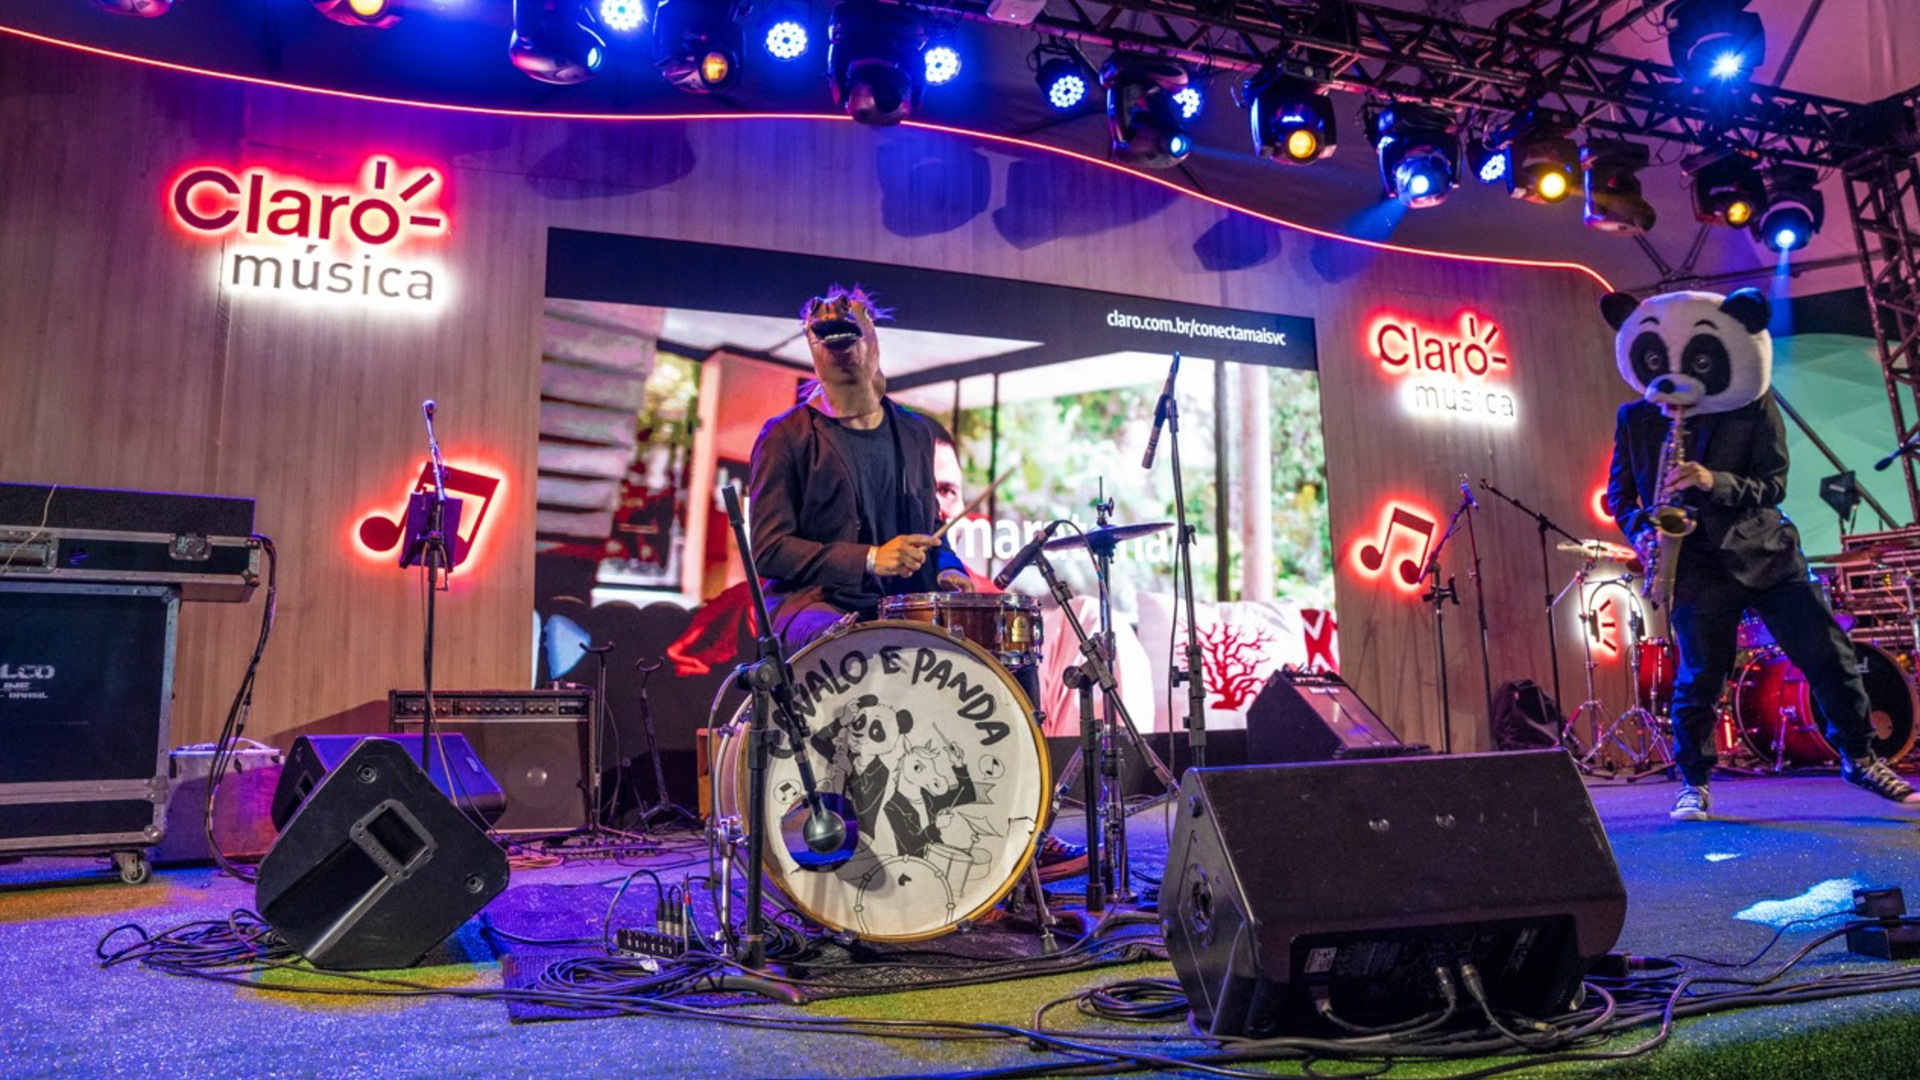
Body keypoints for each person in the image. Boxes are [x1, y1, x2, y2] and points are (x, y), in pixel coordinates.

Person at [1602, 287, 1920, 821]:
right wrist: (1646, 532)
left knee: (1830, 654)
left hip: (1766, 551)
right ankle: (1694, 781)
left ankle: (1861, 758)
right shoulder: (1637, 416)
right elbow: (1621, 495)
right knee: (1700, 677)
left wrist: (1713, 480)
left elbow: (1772, 484)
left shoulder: (1751, 402)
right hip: (1695, 560)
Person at [748, 285, 972, 648]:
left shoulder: (915, 432)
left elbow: (932, 528)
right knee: (853, 643)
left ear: (873, 333)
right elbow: (770, 549)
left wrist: (948, 566)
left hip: (900, 605)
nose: (832, 316)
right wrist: (869, 558)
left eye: (852, 313)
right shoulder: (785, 435)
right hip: (816, 603)